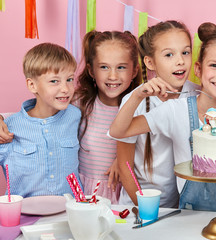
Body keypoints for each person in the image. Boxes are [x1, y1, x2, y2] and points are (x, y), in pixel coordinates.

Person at [109, 22, 216, 212]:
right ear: (199, 70)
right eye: (214, 65)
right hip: (187, 216)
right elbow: (118, 131)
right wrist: (138, 95)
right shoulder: (176, 110)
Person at [110, 20, 200, 208]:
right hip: (140, 204)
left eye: (185, 52)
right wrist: (146, 208)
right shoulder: (135, 101)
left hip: (185, 208)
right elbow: (125, 168)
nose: (180, 61)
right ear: (150, 62)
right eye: (169, 54)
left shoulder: (198, 95)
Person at [0, 43, 80, 197]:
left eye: (69, 79)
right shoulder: (9, 127)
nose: (65, 88)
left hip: (70, 211)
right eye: (54, 81)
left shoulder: (75, 115)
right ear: (32, 85)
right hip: (24, 215)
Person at [73, 30, 141, 204]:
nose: (113, 76)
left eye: (121, 67)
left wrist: (122, 158)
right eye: (104, 67)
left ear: (134, 71)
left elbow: (148, 146)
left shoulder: (141, 107)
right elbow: (42, 111)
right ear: (91, 70)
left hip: (123, 192)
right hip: (85, 191)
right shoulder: (79, 102)